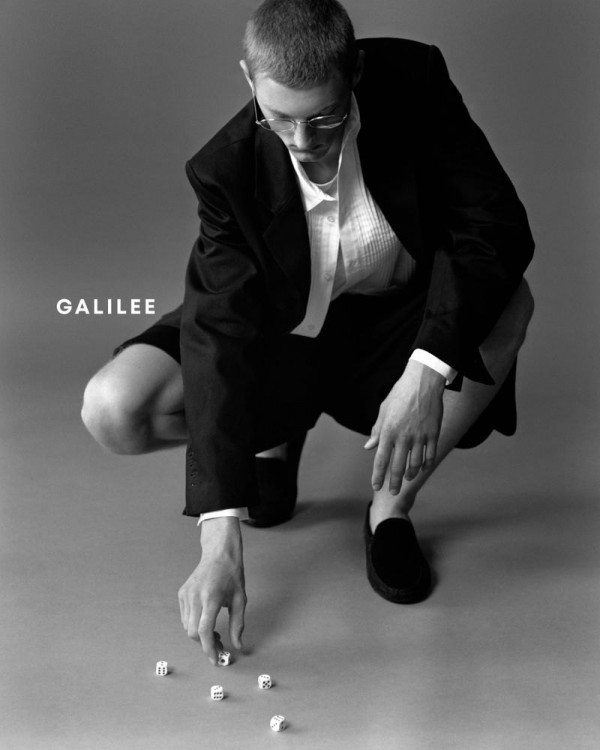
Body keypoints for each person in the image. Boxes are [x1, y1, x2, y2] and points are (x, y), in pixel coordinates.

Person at [81, 0, 535, 667]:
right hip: (279, 339)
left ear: (355, 72)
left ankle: (389, 509)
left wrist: (427, 370)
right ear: (249, 79)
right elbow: (217, 331)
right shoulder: (224, 168)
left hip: (392, 329)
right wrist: (218, 533)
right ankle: (273, 439)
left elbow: (494, 229)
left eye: (323, 117)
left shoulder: (413, 83)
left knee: (511, 304)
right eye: (280, 117)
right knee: (113, 409)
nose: (301, 140)